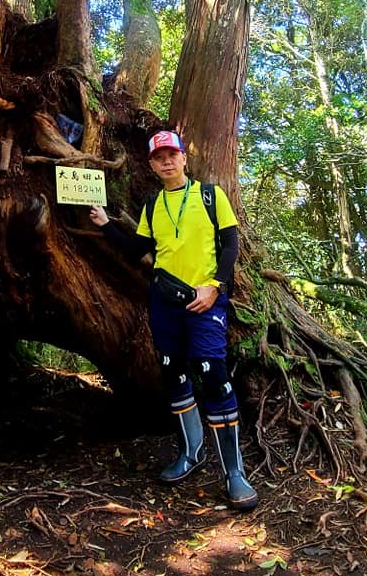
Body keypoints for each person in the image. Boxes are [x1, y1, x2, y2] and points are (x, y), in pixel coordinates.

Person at [89, 129, 257, 511]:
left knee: (213, 375)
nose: (166, 161)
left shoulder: (211, 196)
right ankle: (190, 452)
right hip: (164, 301)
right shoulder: (152, 205)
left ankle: (234, 472)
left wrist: (215, 286)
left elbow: (231, 244)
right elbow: (137, 250)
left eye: (172, 155)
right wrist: (105, 224)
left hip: (205, 299)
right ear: (152, 164)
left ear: (184, 158)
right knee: (174, 374)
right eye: (159, 157)